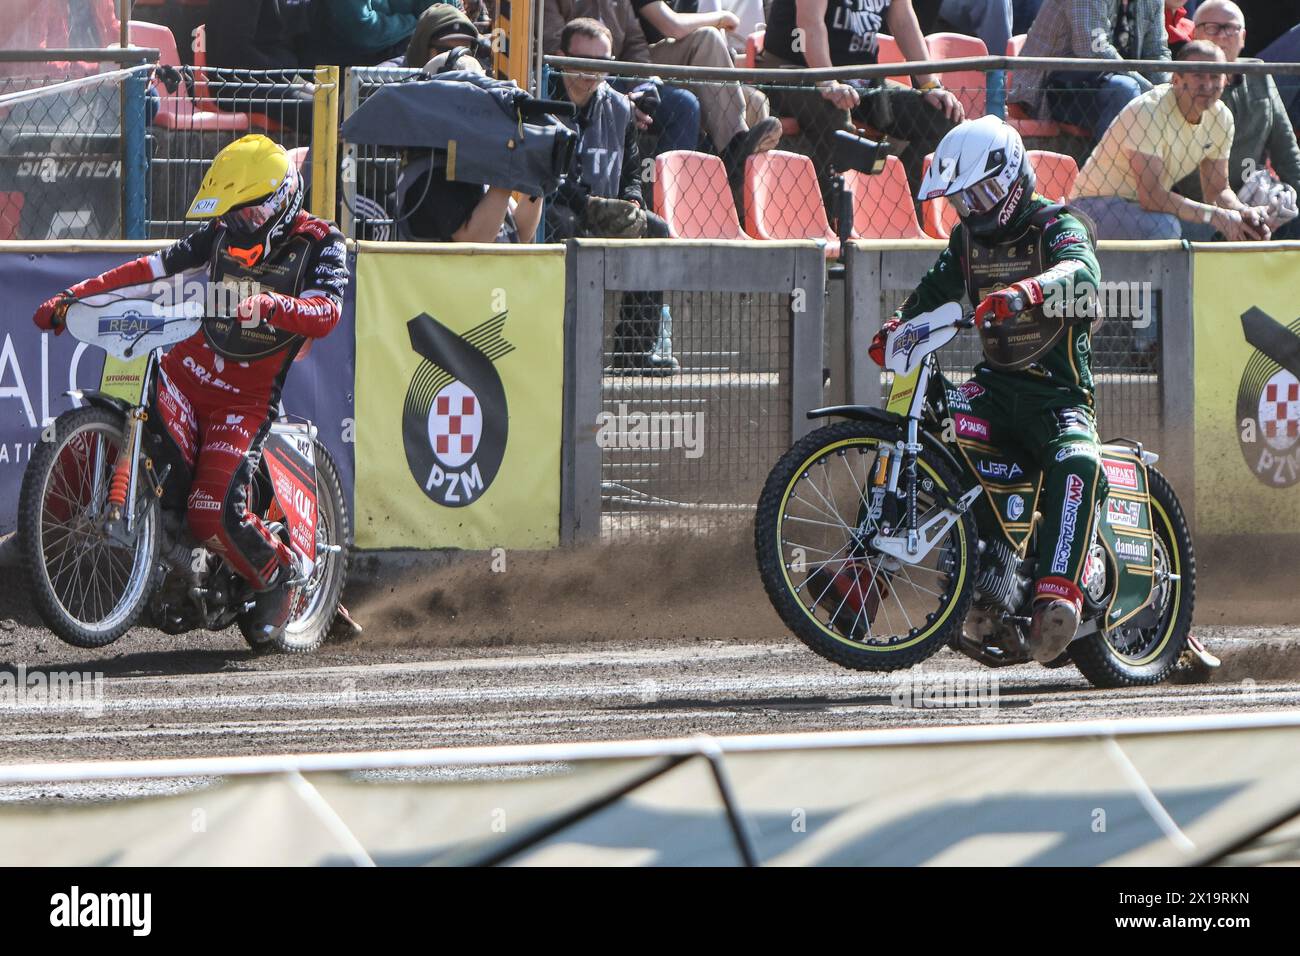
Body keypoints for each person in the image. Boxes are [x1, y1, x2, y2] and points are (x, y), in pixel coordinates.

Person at [31, 135, 349, 643]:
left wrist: (270, 304)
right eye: (231, 217)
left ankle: (280, 572)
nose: (235, 227)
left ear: (279, 203)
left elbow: (327, 312)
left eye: (246, 217)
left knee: (210, 512)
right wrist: (72, 297)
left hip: (242, 403)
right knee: (139, 412)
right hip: (185, 372)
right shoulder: (219, 233)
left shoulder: (321, 242)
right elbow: (149, 270)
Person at [872, 116, 1107, 663]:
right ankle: (871, 573)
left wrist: (1027, 291)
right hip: (995, 392)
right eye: (963, 198)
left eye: (981, 193)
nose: (972, 207)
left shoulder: (1056, 225)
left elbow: (1084, 273)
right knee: (926, 426)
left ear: (1011, 178)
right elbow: (934, 290)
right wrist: (897, 325)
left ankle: (1058, 600)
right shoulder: (965, 239)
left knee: (1078, 462)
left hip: (1059, 399)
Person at [550, 18, 678, 373]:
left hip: (606, 209)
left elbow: (632, 172)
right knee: (562, 222)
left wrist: (633, 203)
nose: (591, 73)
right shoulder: (541, 100)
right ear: (561, 58)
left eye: (602, 64)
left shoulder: (620, 108)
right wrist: (585, 203)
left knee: (656, 228)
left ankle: (634, 352)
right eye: (583, 62)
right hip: (559, 206)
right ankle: (562, 346)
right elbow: (540, 175)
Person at [757, 0, 965, 209]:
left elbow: (903, 21)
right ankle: (835, 223)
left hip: (860, 79)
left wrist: (929, 85)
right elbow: (809, 21)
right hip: (795, 72)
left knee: (942, 117)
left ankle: (901, 211)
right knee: (836, 118)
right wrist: (828, 82)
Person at [1070, 41, 1272, 240]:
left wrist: (1242, 213)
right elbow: (1152, 196)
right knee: (1165, 227)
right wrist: (1215, 215)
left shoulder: (1222, 118)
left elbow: (1217, 190)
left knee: (1229, 230)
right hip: (1090, 207)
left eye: (1215, 76)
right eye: (1198, 75)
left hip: (1144, 210)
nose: (1207, 84)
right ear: (1176, 79)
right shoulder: (1149, 109)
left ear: (1225, 81)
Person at [1172, 0, 1300, 239]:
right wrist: (1236, 212)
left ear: (1243, 37)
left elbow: (1287, 152)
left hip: (1256, 196)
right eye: (1212, 28)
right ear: (1194, 35)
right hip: (1201, 209)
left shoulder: (1259, 75)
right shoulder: (1179, 83)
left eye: (1230, 28)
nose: (1222, 36)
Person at [396, 50, 545, 242]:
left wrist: (537, 180)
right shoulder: (430, 170)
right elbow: (474, 241)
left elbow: (519, 235)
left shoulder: (472, 160)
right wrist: (507, 171)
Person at [629, 0, 781, 178]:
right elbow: (673, 27)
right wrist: (720, 18)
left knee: (756, 100)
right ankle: (736, 146)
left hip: (679, 69)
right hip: (639, 66)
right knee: (707, 36)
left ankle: (747, 184)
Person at [543, 0, 703, 155]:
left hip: (616, 78)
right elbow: (555, 46)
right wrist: (618, 101)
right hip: (570, 81)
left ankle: (667, 180)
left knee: (685, 104)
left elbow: (634, 45)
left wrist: (641, 88)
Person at [1008, 0, 1171, 142]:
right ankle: (1107, 174)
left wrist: (1168, 90)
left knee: (1181, 93)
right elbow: (1092, 50)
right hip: (1050, 87)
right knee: (1124, 90)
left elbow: (1157, 51)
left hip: (1111, 83)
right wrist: (1150, 91)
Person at [204, 0, 316, 134]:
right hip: (236, 86)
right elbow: (236, 53)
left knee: (332, 104)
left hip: (270, 81)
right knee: (318, 109)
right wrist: (286, 74)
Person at [311, 0, 452, 68]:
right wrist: (416, 22)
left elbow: (438, 16)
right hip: (342, 78)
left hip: (410, 72)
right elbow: (363, 31)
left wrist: (422, 22)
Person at [400, 2, 483, 68]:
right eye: (445, 50)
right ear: (422, 49)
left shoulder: (476, 84)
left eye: (464, 51)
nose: (456, 59)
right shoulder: (390, 82)